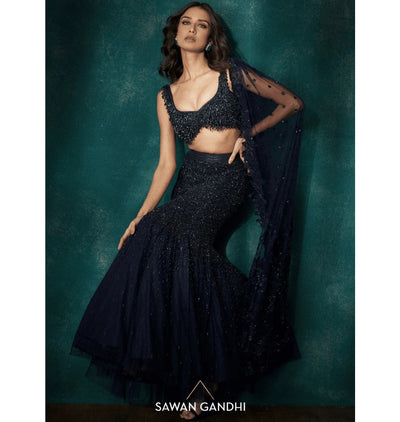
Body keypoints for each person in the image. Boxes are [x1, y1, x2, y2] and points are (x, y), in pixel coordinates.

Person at [70, 2, 304, 420]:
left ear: (211, 38)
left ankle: (233, 348)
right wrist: (140, 214)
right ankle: (205, 380)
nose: (193, 29)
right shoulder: (165, 97)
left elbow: (291, 103)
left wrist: (249, 136)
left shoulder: (231, 75)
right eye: (186, 23)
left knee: (167, 238)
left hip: (228, 180)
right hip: (190, 180)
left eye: (202, 25)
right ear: (176, 33)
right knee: (169, 251)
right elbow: (166, 165)